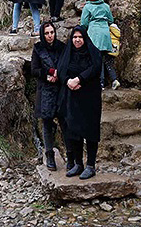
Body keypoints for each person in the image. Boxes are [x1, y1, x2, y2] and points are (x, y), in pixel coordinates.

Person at [56, 25, 103, 179]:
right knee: (73, 131)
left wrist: (79, 79)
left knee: (90, 132)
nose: (77, 40)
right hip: (72, 99)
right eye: (74, 37)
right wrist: (68, 81)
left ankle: (90, 165)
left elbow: (95, 68)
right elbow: (61, 70)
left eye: (80, 37)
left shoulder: (92, 52)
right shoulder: (68, 52)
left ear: (85, 38)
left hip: (89, 99)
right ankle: (78, 164)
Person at [31, 21, 66, 171]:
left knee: (65, 122)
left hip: (61, 88)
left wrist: (60, 74)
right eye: (47, 33)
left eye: (52, 32)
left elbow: (67, 65)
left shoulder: (62, 47)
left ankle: (70, 156)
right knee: (47, 123)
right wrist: (48, 74)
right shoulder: (38, 49)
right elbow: (34, 69)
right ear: (42, 35)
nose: (50, 36)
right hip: (45, 89)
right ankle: (49, 154)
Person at [80, 0, 118, 89]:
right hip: (105, 34)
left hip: (94, 35)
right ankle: (114, 79)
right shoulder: (105, 6)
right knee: (107, 60)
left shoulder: (87, 7)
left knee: (97, 60)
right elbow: (111, 20)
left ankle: (100, 83)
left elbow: (83, 23)